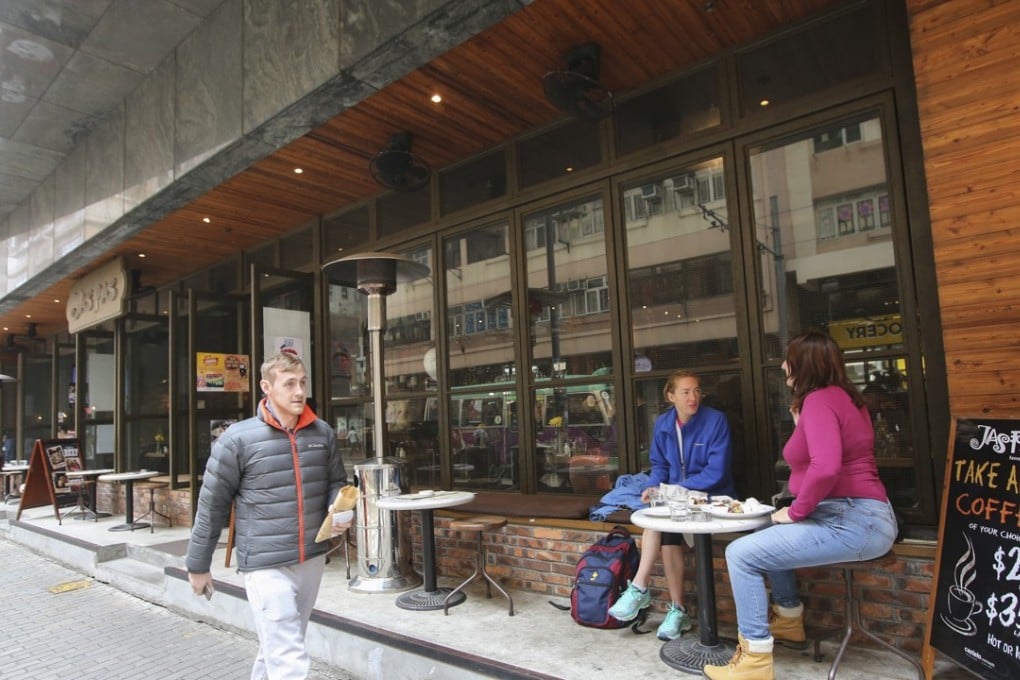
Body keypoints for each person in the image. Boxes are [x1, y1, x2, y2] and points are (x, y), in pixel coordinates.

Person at [703, 329, 897, 680]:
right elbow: (815, 460)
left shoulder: (821, 400)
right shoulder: (843, 398)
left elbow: (826, 468)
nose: (782, 364)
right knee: (765, 525)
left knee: (740, 554)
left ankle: (755, 662)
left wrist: (795, 512)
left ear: (804, 365)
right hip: (858, 515)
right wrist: (801, 425)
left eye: (788, 358)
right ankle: (789, 619)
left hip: (852, 519)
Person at [185, 353, 351, 680]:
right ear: (266, 387)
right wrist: (198, 564)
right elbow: (212, 504)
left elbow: (336, 481)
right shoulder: (237, 439)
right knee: (288, 657)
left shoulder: (322, 433)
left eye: (302, 382)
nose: (299, 391)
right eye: (289, 384)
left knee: (279, 646)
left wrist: (338, 505)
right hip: (264, 563)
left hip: (311, 557)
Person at [608, 370, 735, 641]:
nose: (693, 397)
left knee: (662, 522)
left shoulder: (715, 421)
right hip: (677, 499)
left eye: (697, 390)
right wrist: (653, 487)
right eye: (686, 392)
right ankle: (674, 608)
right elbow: (660, 466)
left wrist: (676, 490)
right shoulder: (664, 424)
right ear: (670, 396)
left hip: (710, 499)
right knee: (662, 525)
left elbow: (717, 473)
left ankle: (648, 593)